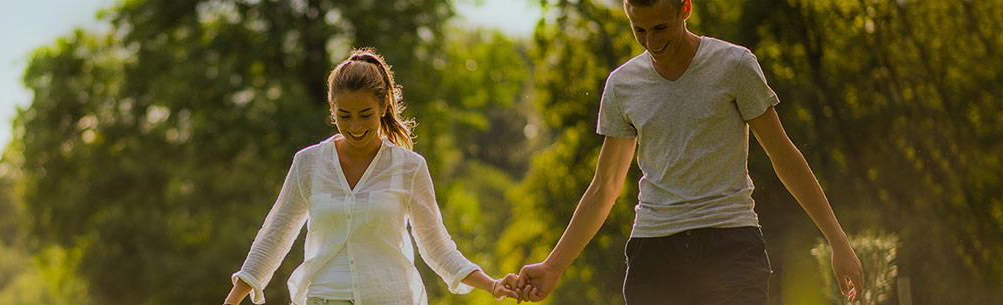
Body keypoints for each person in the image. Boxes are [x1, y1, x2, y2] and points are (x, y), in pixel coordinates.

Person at [507, 0, 865, 304]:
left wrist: (838, 242)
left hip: (730, 243)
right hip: (655, 250)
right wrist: (553, 266)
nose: (652, 42)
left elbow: (784, 157)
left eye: (661, 28)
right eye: (640, 31)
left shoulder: (734, 65)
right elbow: (605, 186)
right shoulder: (622, 85)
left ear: (686, 8)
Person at [222, 48, 520, 305]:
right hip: (325, 297)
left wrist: (491, 285)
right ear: (332, 108)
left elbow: (437, 246)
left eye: (365, 114)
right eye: (344, 115)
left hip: (389, 296)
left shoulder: (409, 167)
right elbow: (276, 234)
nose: (354, 126)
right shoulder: (308, 163)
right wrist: (235, 296)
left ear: (384, 106)